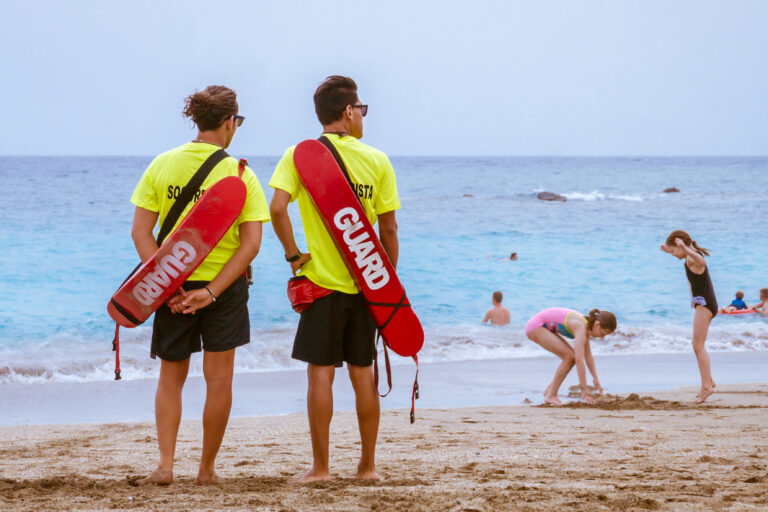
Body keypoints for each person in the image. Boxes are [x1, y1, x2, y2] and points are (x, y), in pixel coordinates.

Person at [131, 85, 270, 485]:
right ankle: (207, 471)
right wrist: (211, 292)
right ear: (229, 122)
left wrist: (165, 283)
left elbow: (142, 233)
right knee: (219, 379)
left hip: (171, 283)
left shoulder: (162, 164)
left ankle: (165, 466)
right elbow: (251, 245)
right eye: (237, 122)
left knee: (170, 378)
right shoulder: (240, 173)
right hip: (223, 289)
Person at [269, 75, 400, 483]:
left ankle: (321, 469)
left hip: (321, 286)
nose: (362, 116)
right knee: (363, 374)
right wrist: (384, 284)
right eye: (361, 109)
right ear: (348, 111)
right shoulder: (377, 160)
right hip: (366, 285)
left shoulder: (299, 155)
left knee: (320, 374)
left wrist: (294, 255)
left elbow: (277, 209)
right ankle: (368, 467)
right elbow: (389, 231)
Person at [660, 229, 717, 403]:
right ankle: (709, 380)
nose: (672, 255)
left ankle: (706, 386)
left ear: (681, 246)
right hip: (705, 304)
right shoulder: (688, 258)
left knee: (697, 345)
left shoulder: (693, 258)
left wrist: (685, 248)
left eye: (672, 251)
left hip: (705, 306)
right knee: (698, 345)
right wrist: (670, 249)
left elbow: (702, 262)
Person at [525, 308, 616, 405]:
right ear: (597, 324)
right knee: (570, 357)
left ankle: (549, 391)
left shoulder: (587, 327)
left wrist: (595, 377)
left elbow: (588, 356)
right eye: (603, 333)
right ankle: (551, 395)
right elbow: (579, 360)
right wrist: (584, 389)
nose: (602, 337)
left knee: (570, 357)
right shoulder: (581, 326)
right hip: (536, 327)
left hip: (544, 327)